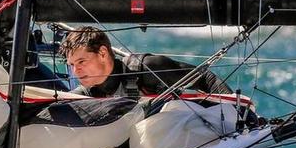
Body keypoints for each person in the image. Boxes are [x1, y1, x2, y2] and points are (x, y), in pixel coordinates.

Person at [60, 26, 232, 98]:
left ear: (102, 53)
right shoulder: (83, 96)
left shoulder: (147, 68)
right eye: (72, 65)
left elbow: (206, 79)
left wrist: (242, 115)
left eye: (81, 61)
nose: (76, 71)